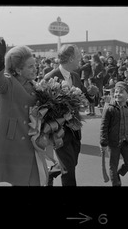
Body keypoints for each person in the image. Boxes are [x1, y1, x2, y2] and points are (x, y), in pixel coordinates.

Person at [0, 30, 40, 186]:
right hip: (13, 143)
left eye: (35, 65)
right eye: (30, 66)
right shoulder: (8, 83)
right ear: (17, 70)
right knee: (19, 181)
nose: (35, 69)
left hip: (32, 143)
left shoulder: (35, 86)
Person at [43, 44, 89, 186]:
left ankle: (52, 172)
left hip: (75, 129)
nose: (80, 60)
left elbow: (84, 95)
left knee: (72, 163)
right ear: (70, 59)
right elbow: (44, 108)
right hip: (59, 131)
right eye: (78, 57)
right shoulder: (50, 78)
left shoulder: (75, 76)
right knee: (69, 170)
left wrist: (90, 96)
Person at [100, 82, 128, 186]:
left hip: (125, 141)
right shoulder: (109, 108)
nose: (117, 94)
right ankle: (116, 182)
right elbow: (103, 127)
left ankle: (118, 174)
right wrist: (103, 143)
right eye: (116, 92)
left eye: (121, 92)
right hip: (113, 143)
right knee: (113, 165)